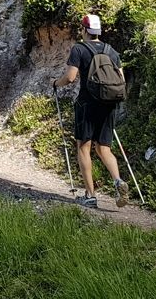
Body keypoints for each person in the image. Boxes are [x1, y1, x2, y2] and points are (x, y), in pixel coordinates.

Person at [52, 13, 130, 209]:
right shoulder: (111, 51)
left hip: (87, 104)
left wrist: (56, 83)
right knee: (104, 148)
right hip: (108, 104)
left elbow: (70, 77)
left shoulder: (79, 49)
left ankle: (90, 195)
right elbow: (121, 80)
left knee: (83, 147)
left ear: (84, 30)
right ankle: (118, 181)